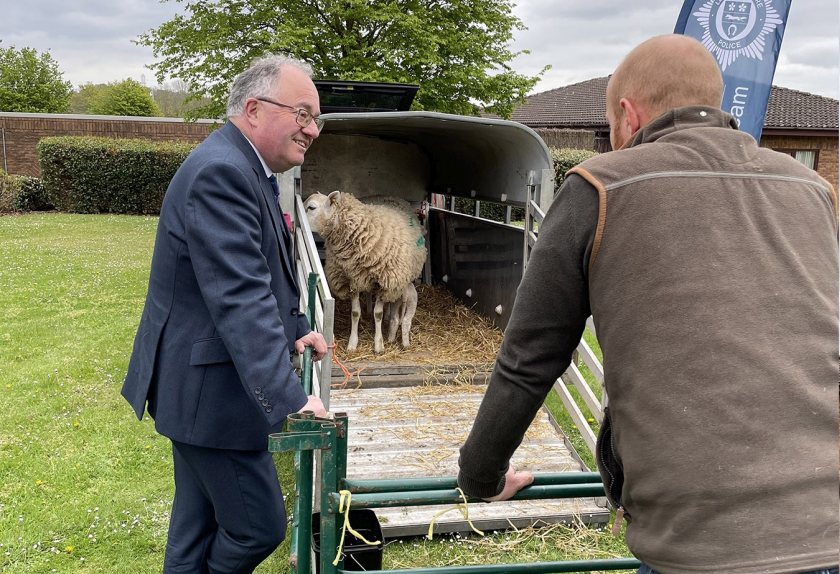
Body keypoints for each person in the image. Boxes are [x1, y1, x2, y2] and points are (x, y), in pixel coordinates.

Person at [458, 34, 839, 574]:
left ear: (627, 114)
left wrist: (480, 478)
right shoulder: (811, 189)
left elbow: (529, 359)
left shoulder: (600, 184)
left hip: (697, 543)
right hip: (828, 523)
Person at [121, 55, 329, 573]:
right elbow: (239, 298)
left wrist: (297, 330)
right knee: (257, 527)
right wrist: (291, 399)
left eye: (316, 120)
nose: (312, 131)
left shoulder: (246, 168)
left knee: (195, 532)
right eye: (303, 114)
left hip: (198, 390)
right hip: (211, 396)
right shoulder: (222, 172)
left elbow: (260, 272)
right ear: (254, 109)